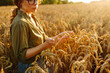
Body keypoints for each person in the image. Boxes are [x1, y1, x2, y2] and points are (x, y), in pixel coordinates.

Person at [10, 0, 73, 73]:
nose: (36, 3)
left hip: (41, 64)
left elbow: (44, 40)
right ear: (20, 2)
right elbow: (22, 55)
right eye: (31, 0)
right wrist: (45, 45)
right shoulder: (20, 23)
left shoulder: (32, 17)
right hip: (29, 68)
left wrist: (58, 37)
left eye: (37, 0)